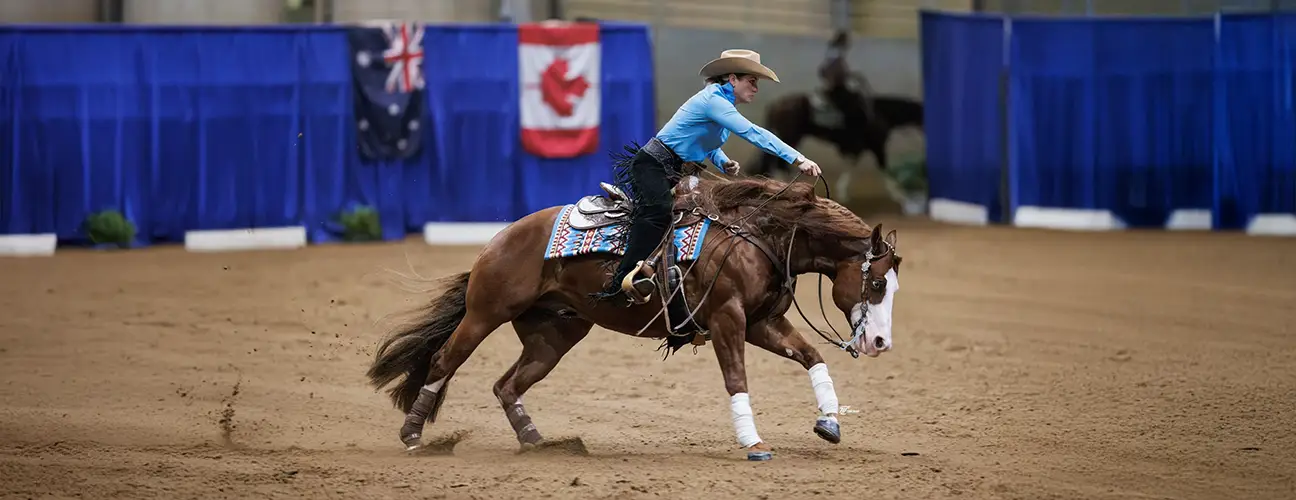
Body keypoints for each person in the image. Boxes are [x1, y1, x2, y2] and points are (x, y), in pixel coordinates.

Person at [592, 49, 822, 328]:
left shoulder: (719, 103)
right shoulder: (714, 101)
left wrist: (722, 161)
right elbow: (754, 133)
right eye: (751, 80)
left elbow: (705, 139)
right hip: (652, 165)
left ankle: (677, 284)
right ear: (733, 79)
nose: (756, 88)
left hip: (672, 168)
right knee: (657, 212)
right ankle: (622, 282)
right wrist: (797, 158)